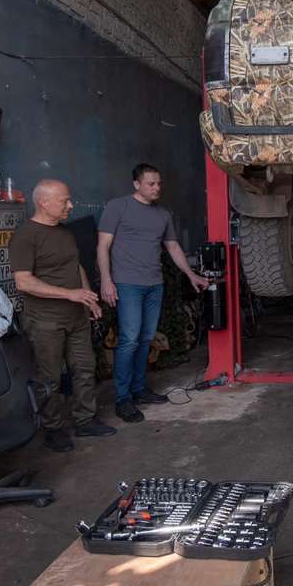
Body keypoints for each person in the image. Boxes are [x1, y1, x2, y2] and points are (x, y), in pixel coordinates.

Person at [98, 163, 209, 424]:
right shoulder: (117, 207)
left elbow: (173, 247)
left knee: (146, 339)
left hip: (154, 284)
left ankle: (139, 389)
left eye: (159, 183)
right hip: (127, 284)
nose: (157, 187)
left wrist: (191, 275)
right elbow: (103, 246)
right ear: (136, 184)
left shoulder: (163, 214)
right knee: (129, 340)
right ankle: (123, 399)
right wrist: (106, 280)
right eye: (151, 183)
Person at [11, 179, 115, 452]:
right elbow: (24, 282)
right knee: (50, 378)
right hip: (45, 320)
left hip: (76, 316)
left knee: (84, 369)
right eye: (64, 201)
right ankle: (53, 428)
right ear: (44, 202)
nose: (70, 205)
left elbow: (76, 266)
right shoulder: (25, 235)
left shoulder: (65, 233)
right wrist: (69, 294)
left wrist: (87, 296)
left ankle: (85, 420)